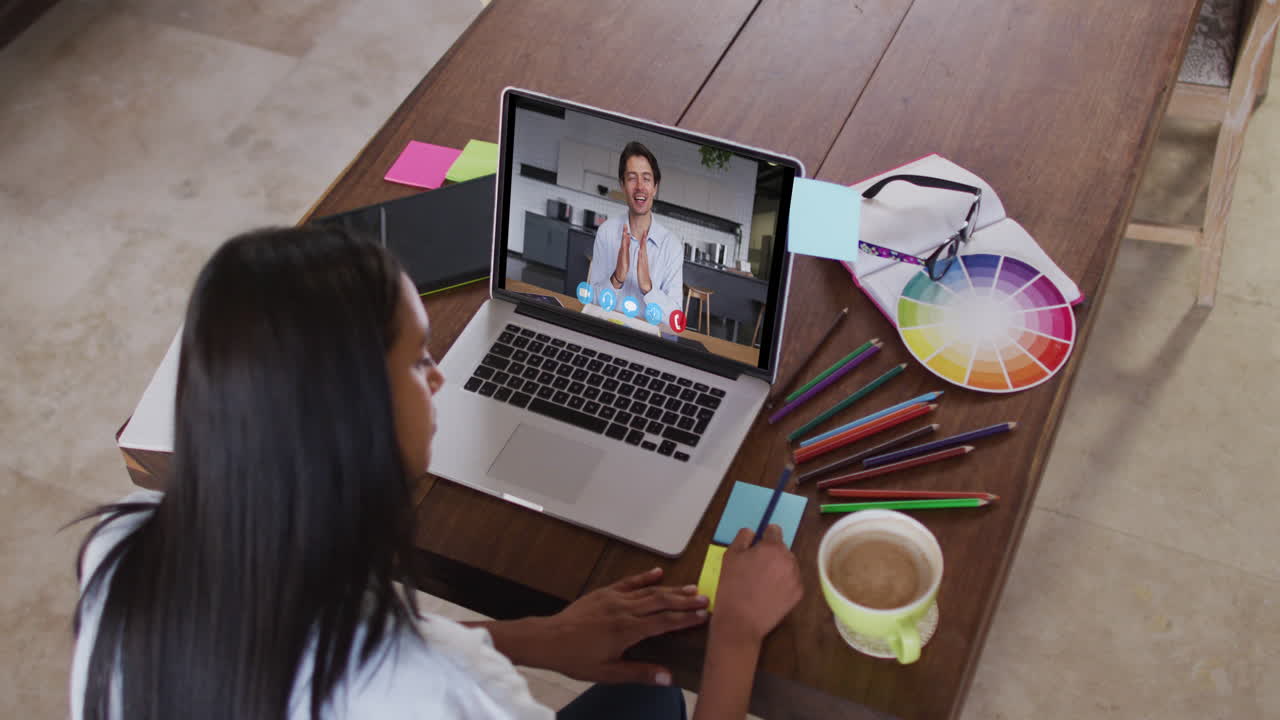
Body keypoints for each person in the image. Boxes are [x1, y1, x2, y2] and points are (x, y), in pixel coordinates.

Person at [71, 226, 802, 720]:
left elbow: (321, 645)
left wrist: (534, 638)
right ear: (358, 420)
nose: (441, 379)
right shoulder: (441, 695)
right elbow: (410, 675)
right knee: (661, 697)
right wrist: (735, 634)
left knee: (645, 699)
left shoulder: (123, 552)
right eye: (420, 360)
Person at [587, 142, 684, 320]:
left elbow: (675, 319)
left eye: (646, 178)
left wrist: (648, 287)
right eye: (632, 178)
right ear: (623, 185)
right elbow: (592, 302)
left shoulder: (672, 246)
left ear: (655, 187)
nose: (640, 186)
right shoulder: (606, 233)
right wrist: (617, 278)